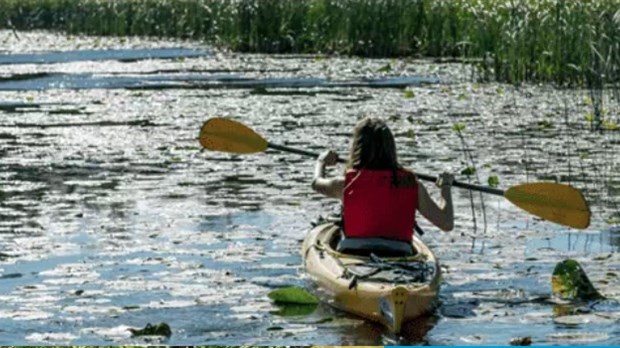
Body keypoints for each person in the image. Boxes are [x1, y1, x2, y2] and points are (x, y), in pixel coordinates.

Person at [311, 117, 454, 255]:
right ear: (391, 148)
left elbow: (316, 183)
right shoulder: (411, 184)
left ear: (357, 148)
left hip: (353, 250)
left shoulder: (345, 184)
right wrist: (445, 187)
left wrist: (321, 162)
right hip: (400, 251)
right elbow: (446, 223)